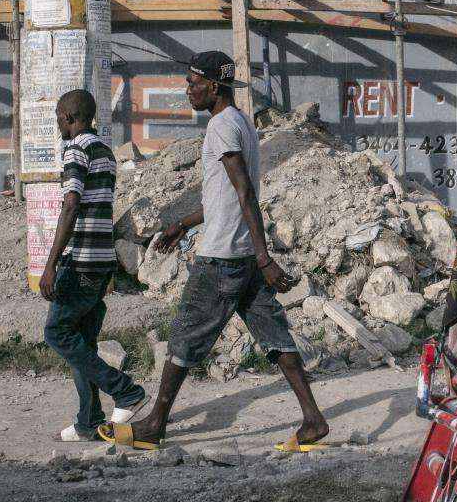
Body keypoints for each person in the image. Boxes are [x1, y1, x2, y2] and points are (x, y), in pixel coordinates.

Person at [101, 51, 329, 451]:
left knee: (183, 338)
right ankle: (312, 419)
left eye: (193, 83)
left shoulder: (221, 127)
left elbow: (244, 193)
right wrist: (182, 224)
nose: (188, 90)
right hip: (241, 256)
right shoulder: (239, 121)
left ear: (214, 86)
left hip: (224, 258)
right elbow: (224, 196)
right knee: (276, 337)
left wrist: (265, 257)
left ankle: (154, 424)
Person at [40, 89, 148, 442]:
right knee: (82, 340)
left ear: (69, 117)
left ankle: (126, 390)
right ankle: (89, 420)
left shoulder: (77, 149)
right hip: (103, 263)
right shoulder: (104, 151)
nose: (57, 122)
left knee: (57, 332)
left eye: (58, 116)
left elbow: (71, 205)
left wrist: (51, 264)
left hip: (82, 260)